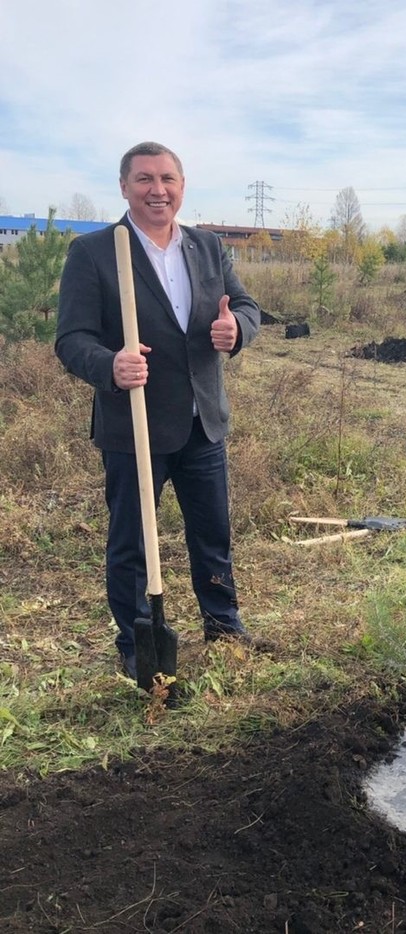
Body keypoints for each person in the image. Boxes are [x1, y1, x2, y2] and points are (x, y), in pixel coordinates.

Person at [56, 141, 261, 679]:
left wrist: (236, 328)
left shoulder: (208, 247)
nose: (157, 189)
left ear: (182, 186)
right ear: (124, 187)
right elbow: (71, 339)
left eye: (167, 178)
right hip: (135, 426)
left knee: (212, 533)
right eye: (144, 179)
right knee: (131, 542)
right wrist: (110, 365)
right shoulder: (95, 252)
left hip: (203, 421)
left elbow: (246, 306)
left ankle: (223, 624)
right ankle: (137, 642)